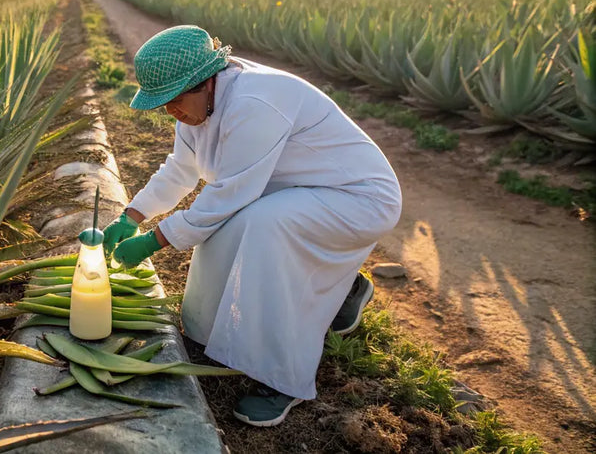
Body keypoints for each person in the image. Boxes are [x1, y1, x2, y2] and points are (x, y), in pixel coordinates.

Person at [103, 25, 402, 427]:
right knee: (231, 228)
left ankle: (282, 378)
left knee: (260, 225)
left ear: (205, 81)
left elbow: (227, 195)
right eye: (163, 105)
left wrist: (153, 242)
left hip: (356, 198)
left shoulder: (254, 102)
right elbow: (180, 171)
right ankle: (344, 289)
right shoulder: (198, 108)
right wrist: (131, 216)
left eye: (174, 100)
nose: (170, 111)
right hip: (297, 188)